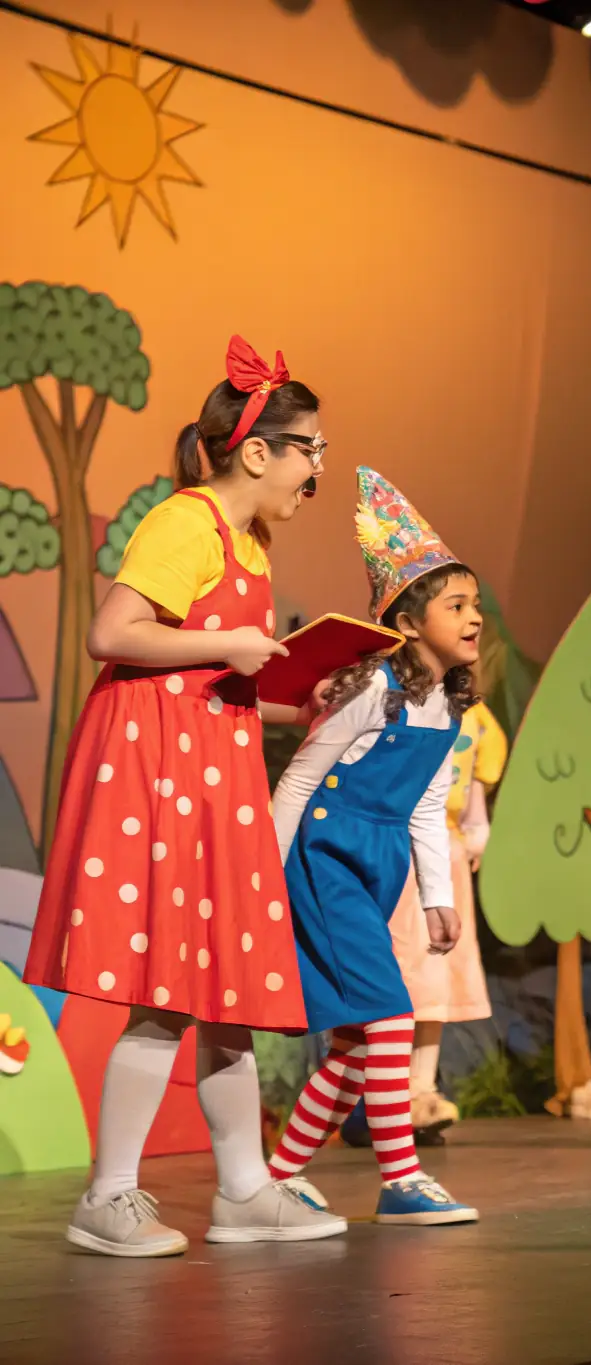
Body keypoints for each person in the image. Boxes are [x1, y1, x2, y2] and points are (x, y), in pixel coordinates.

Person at [24, 336, 346, 1255]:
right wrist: (227, 652)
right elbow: (111, 632)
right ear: (257, 451)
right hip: (159, 773)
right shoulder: (187, 521)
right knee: (166, 990)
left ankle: (244, 1188)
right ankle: (109, 1193)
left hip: (216, 776)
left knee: (228, 989)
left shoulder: (249, 540)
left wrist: (295, 698)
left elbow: (216, 676)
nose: (314, 474)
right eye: (309, 451)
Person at [267, 467, 482, 1224]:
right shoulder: (373, 687)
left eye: (476, 604)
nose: (475, 617)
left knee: (360, 1038)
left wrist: (437, 898)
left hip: (378, 866)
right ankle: (400, 1179)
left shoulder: (446, 709)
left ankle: (281, 1173)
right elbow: (298, 781)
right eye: (457, 604)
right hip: (325, 859)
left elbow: (427, 807)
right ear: (411, 617)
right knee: (391, 1015)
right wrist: (265, 876)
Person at [342, 695, 508, 1147]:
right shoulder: (387, 697)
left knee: (436, 978)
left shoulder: (476, 717)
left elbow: (473, 785)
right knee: (392, 974)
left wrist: (475, 832)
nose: (471, 620)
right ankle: (370, 1097)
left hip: (444, 851)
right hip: (392, 846)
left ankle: (421, 1093)